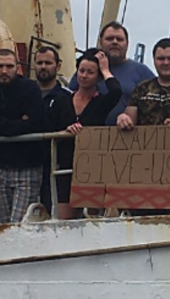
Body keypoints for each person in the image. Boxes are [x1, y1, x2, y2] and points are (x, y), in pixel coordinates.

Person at [0, 48, 46, 224]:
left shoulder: (30, 88)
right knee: (4, 224)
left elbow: (35, 125)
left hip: (27, 166)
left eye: (9, 66)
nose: (4, 71)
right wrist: (18, 123)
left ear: (17, 67)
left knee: (20, 224)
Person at [50, 50, 123, 219]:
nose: (84, 76)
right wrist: (66, 130)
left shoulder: (100, 102)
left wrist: (105, 70)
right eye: (81, 71)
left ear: (98, 77)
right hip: (66, 167)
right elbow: (51, 126)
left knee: (91, 220)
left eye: (90, 72)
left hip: (92, 169)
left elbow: (116, 92)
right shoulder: (62, 100)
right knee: (64, 222)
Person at [69, 20, 154, 125]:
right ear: (101, 43)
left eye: (119, 39)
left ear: (127, 44)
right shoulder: (87, 70)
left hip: (129, 136)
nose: (115, 42)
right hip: (91, 136)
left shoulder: (142, 72)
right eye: (109, 39)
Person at [33, 45, 70, 214]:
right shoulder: (25, 95)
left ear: (58, 65)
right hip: (29, 163)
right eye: (39, 62)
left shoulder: (67, 97)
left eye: (48, 62)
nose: (43, 66)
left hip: (55, 164)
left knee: (51, 209)